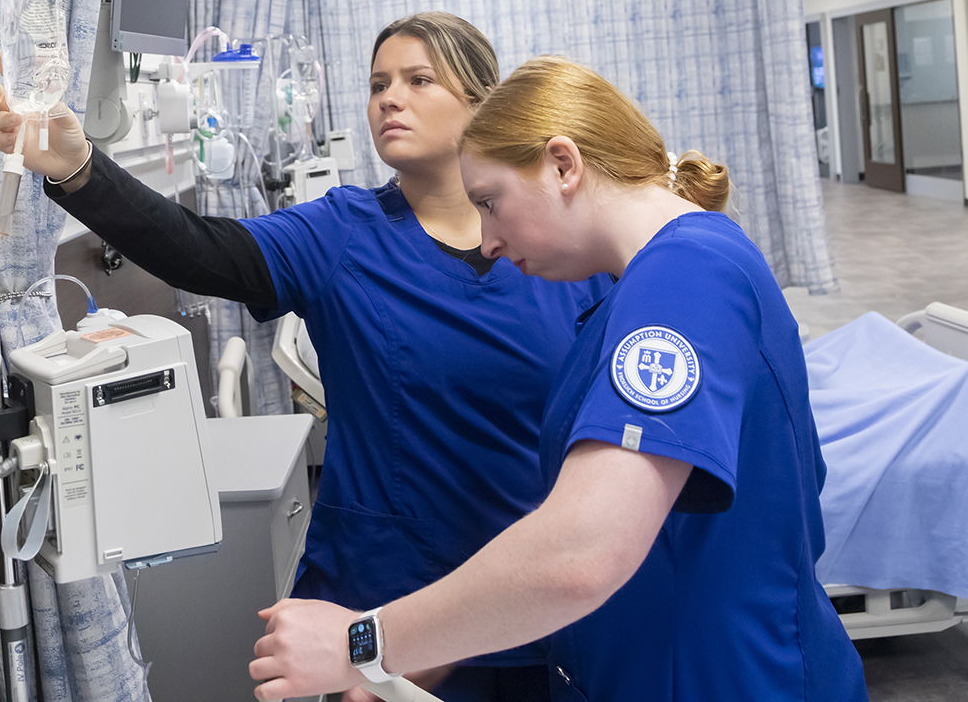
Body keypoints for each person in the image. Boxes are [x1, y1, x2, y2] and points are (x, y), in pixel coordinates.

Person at [0, 14, 608, 702]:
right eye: (377, 84)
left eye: (418, 79)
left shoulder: (565, 251)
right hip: (378, 614)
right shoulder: (343, 233)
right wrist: (81, 170)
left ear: (482, 101)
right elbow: (200, 249)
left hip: (534, 614)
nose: (387, 99)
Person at [249, 56, 867, 702]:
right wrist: (432, 651)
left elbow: (585, 548)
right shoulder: (623, 302)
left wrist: (363, 645)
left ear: (563, 165)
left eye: (489, 203)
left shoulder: (688, 277)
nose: (486, 240)